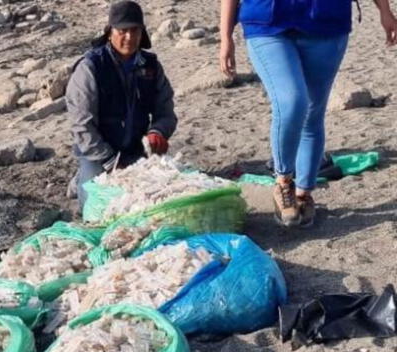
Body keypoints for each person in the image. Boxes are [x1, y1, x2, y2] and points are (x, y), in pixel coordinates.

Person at [219, 0, 397, 227]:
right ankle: (283, 182)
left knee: (314, 113)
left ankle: (304, 193)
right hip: (267, 24)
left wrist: (385, 11)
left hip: (327, 24)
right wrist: (226, 37)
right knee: (292, 101)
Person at [66, 0, 177, 207]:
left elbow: (166, 112)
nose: (129, 37)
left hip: (136, 151)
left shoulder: (151, 67)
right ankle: (82, 176)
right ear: (110, 32)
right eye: (122, 30)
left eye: (134, 30)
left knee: (154, 201)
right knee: (98, 207)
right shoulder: (90, 68)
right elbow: (81, 125)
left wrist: (158, 132)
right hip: (98, 153)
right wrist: (110, 162)